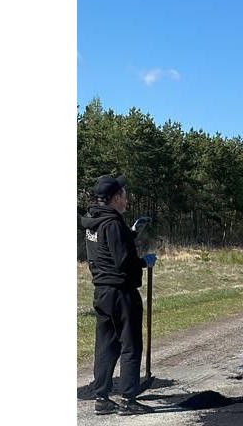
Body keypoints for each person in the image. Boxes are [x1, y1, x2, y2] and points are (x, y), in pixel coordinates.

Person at [82, 175, 157, 415]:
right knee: (130, 345)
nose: (127, 198)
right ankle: (128, 399)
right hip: (120, 292)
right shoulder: (113, 224)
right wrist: (143, 262)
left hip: (102, 292)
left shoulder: (95, 220)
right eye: (124, 195)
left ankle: (102, 397)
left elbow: (110, 245)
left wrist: (132, 231)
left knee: (106, 345)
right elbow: (123, 260)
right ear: (115, 198)